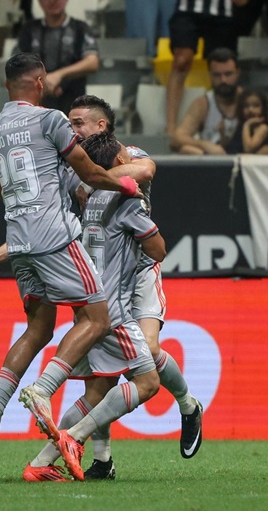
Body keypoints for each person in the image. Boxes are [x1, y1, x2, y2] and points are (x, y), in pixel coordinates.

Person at [0, 53, 141, 474]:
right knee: (96, 318)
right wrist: (125, 184)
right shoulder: (49, 120)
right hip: (54, 237)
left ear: (8, 85)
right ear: (41, 82)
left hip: (19, 237)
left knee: (39, 327)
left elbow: (1, 189)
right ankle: (43, 390)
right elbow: (89, 173)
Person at [15, 130, 169, 482]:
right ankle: (75, 436)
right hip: (115, 313)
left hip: (89, 310)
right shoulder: (126, 201)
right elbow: (158, 251)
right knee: (147, 383)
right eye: (126, 157)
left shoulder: (85, 199)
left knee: (96, 395)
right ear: (117, 163)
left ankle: (40, 463)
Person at [155, 0, 259, 136]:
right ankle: (171, 126)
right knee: (182, 59)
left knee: (222, 66)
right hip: (189, 3)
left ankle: (221, 125)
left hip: (223, 7)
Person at [12, 0, 99, 114]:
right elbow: (16, 65)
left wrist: (59, 75)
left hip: (74, 104)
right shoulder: (29, 29)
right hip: (36, 104)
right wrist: (45, 82)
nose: (52, 1)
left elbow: (92, 62)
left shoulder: (80, 28)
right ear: (39, 1)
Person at [171, 47, 244, 155]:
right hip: (212, 163)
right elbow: (177, 138)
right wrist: (204, 144)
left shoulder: (249, 99)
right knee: (188, 150)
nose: (223, 80)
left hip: (244, 162)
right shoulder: (203, 103)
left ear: (237, 73)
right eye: (217, 75)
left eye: (228, 74)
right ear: (210, 74)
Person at [235, 89, 268, 154]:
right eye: (246, 106)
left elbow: (248, 149)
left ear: (264, 108)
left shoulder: (263, 127)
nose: (250, 110)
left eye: (256, 106)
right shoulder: (240, 126)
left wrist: (247, 125)